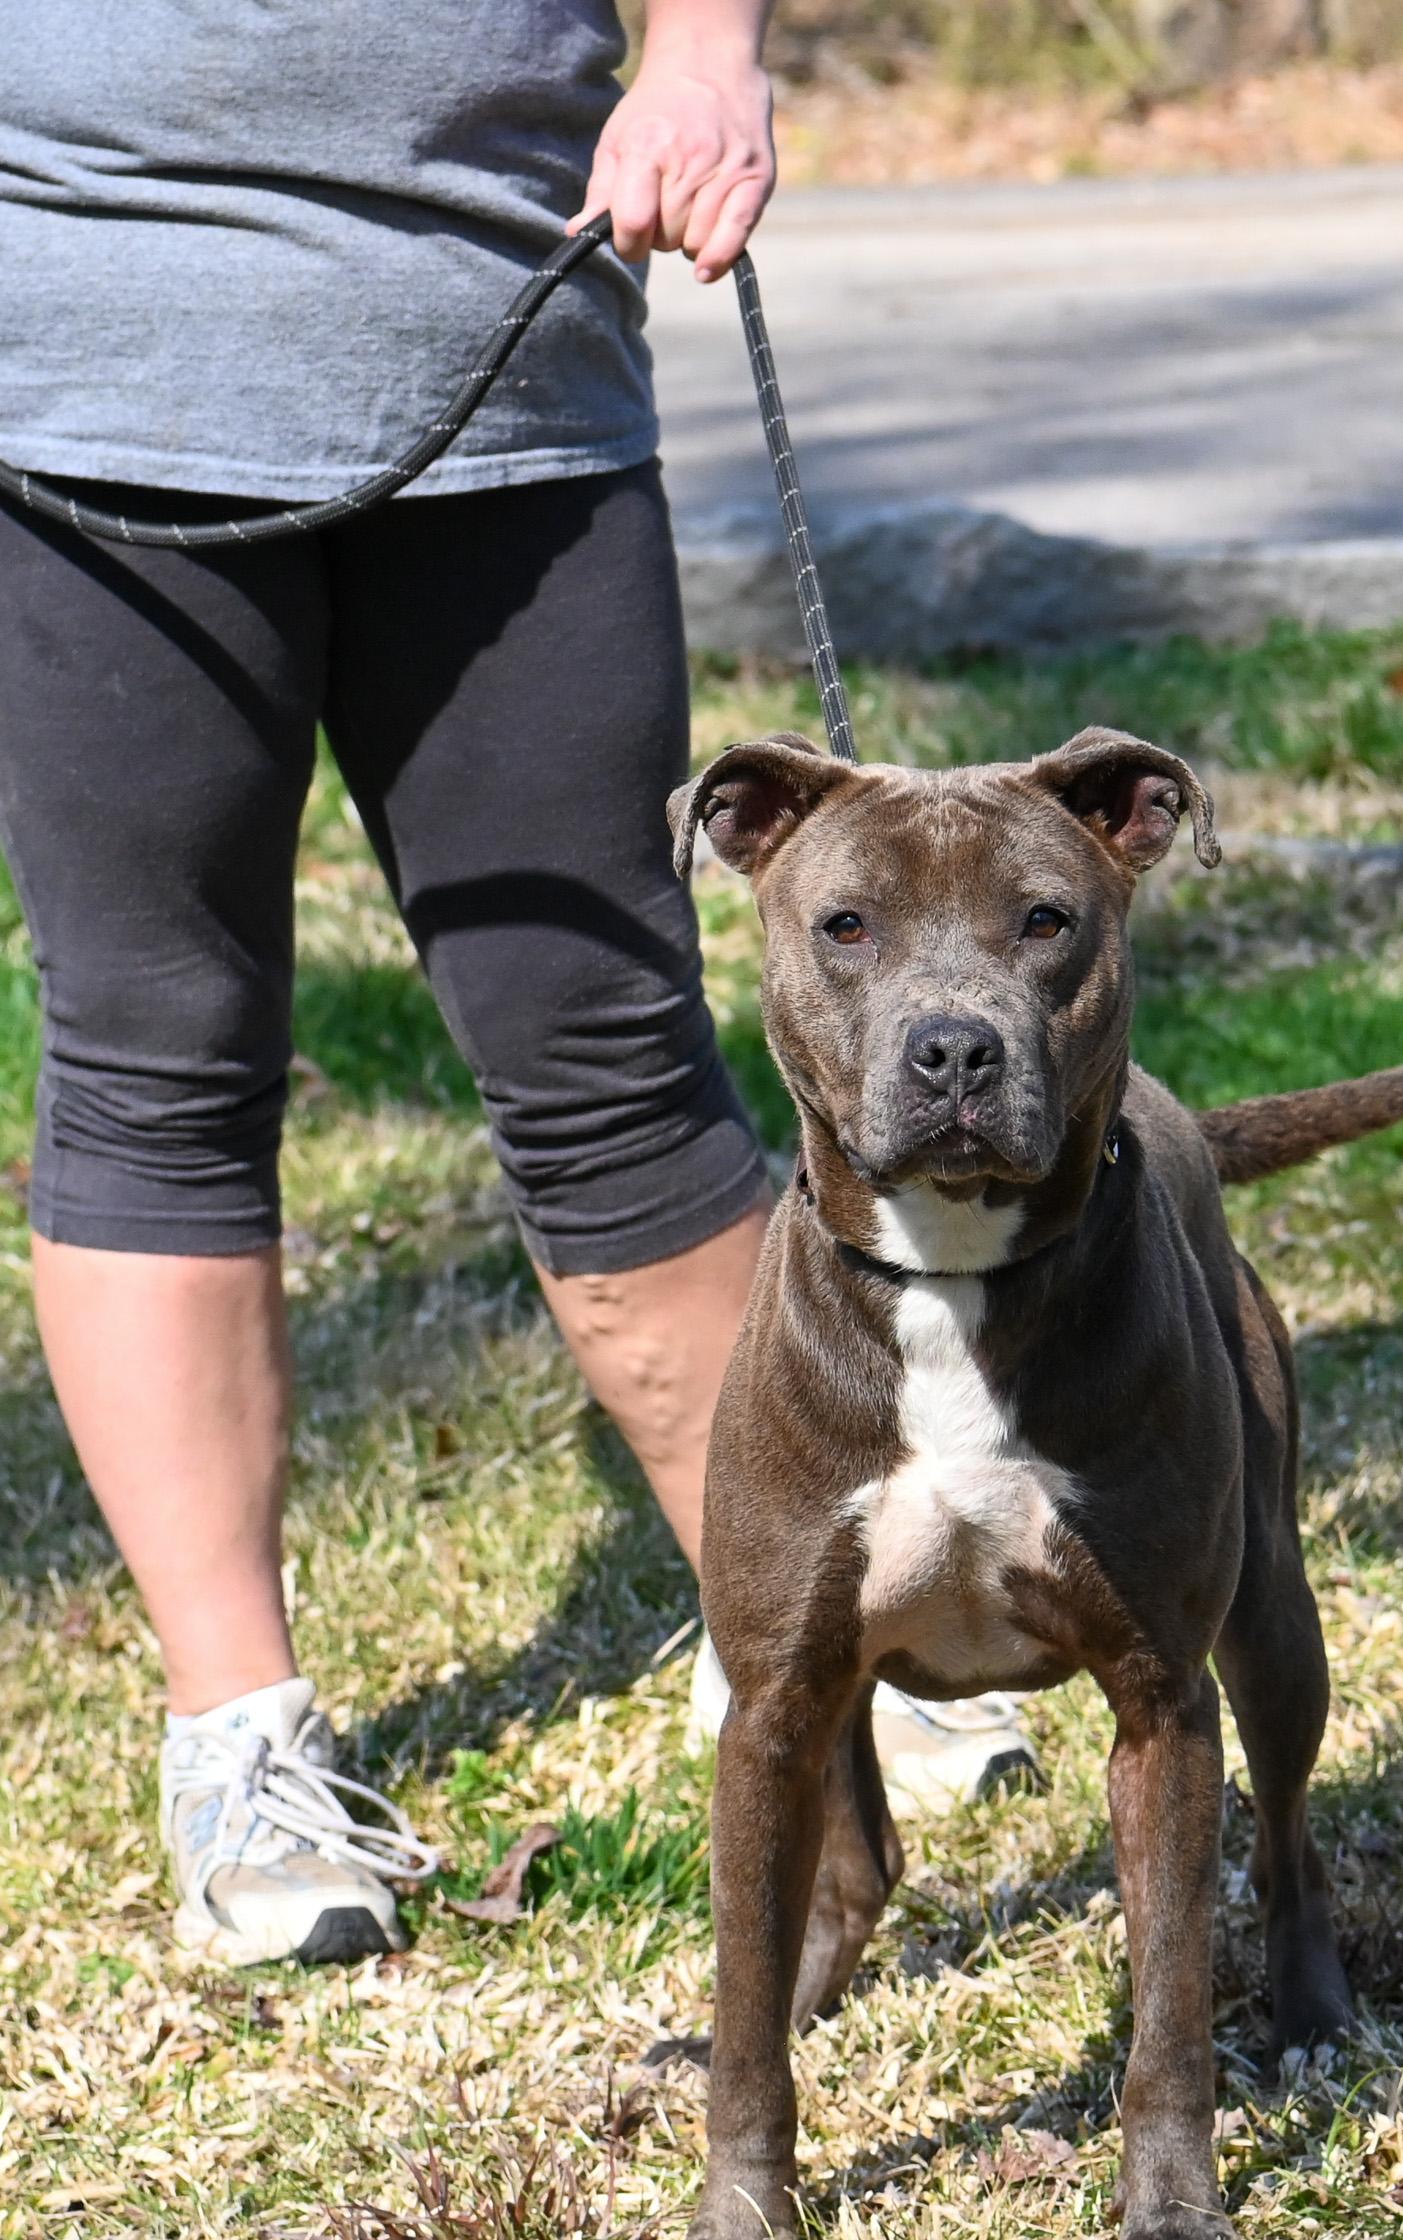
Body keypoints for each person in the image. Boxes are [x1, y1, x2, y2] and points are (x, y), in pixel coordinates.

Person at [0, 0, 1035, 1972]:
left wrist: (705, 55)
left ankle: (804, 1623)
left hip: (510, 320)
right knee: (155, 1054)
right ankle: (240, 1743)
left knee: (611, 1042)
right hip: (78, 379)